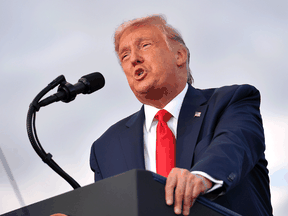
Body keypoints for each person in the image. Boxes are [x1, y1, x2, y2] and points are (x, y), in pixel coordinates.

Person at [90, 15, 273, 216]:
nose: (134, 59)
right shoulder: (106, 147)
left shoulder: (230, 102)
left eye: (144, 45)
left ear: (179, 55)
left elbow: (233, 146)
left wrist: (200, 177)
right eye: (124, 56)